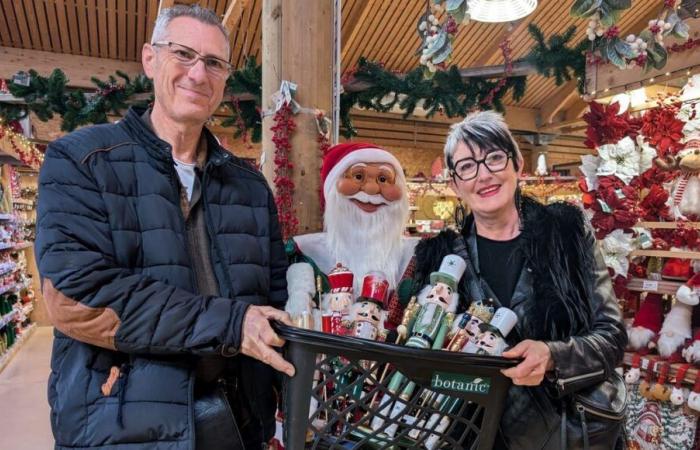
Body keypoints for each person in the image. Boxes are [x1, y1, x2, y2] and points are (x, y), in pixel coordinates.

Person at [35, 5, 292, 450]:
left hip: (237, 423)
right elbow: (76, 296)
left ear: (225, 79)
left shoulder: (250, 187)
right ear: (150, 59)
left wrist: (283, 398)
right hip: (120, 424)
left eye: (214, 63)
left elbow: (273, 301)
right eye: (183, 54)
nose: (198, 73)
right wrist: (230, 324)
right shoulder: (83, 161)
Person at [412, 111, 627, 449]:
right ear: (454, 183)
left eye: (494, 158)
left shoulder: (566, 233)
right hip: (476, 434)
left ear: (516, 166)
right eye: (467, 166)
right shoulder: (440, 257)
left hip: (566, 433)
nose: (483, 175)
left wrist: (554, 355)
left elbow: (612, 337)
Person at [291, 142, 418, 320]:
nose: (372, 190)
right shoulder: (306, 251)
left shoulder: (416, 254)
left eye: (383, 179)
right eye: (358, 176)